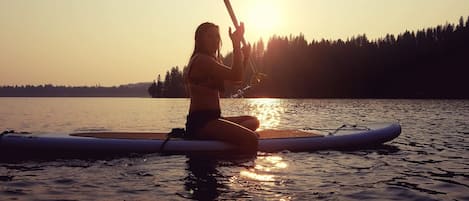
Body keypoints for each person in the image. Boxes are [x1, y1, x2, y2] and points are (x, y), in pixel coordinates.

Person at [184, 22, 259, 154]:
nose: (215, 40)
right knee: (251, 139)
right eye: (210, 37)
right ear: (200, 40)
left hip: (214, 119)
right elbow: (236, 76)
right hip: (201, 122)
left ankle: (228, 134)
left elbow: (236, 81)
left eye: (217, 37)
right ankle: (235, 164)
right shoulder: (202, 60)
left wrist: (245, 57)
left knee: (253, 121)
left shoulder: (212, 60)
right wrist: (236, 44)